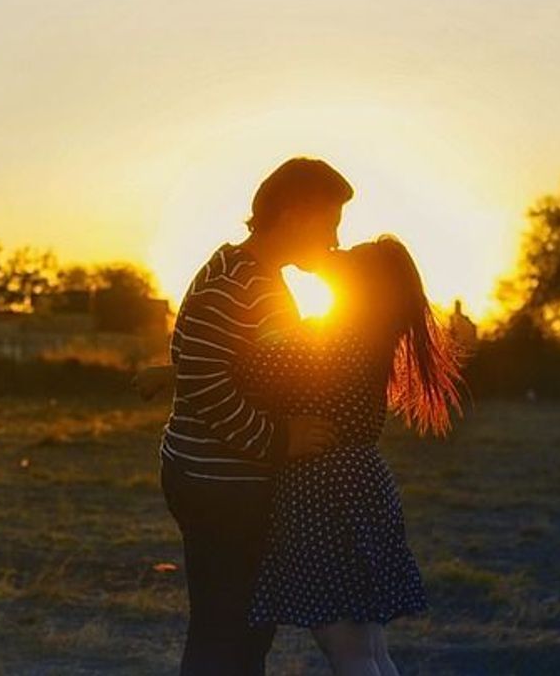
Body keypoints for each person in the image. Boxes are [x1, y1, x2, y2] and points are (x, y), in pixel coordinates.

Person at [157, 157, 354, 676]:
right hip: (220, 482)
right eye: (330, 222)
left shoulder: (251, 275)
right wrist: (276, 441)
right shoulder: (238, 279)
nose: (335, 239)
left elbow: (249, 360)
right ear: (293, 214)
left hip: (222, 478)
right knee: (226, 630)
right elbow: (205, 382)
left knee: (242, 630)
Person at [234, 236, 463, 676]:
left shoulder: (336, 338)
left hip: (326, 494)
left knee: (351, 653)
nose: (337, 253)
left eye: (350, 259)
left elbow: (252, 370)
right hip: (359, 487)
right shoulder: (366, 337)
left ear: (360, 285)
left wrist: (171, 373)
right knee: (371, 651)